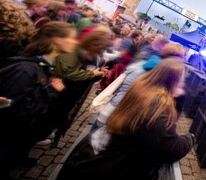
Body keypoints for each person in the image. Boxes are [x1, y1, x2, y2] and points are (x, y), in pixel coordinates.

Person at [56, 58, 195, 180]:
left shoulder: (143, 89)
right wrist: (190, 139)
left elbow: (164, 128)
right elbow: (170, 149)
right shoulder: (156, 106)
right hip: (100, 170)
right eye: (181, 80)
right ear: (172, 81)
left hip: (90, 159)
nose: (183, 84)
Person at [0, 21, 77, 176]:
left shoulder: (43, 64)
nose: (75, 42)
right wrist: (50, 91)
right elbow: (8, 107)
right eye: (71, 38)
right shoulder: (27, 69)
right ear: (57, 40)